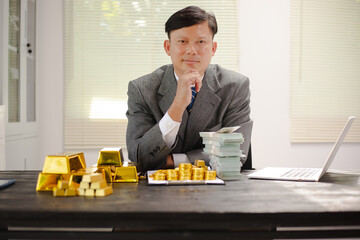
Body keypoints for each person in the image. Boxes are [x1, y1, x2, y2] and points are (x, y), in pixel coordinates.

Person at [126, 6, 253, 172]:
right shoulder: (142, 89)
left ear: (213, 48)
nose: (192, 51)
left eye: (201, 42)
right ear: (167, 47)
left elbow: (236, 153)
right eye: (182, 41)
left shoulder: (235, 86)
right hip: (159, 192)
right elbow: (139, 156)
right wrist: (177, 107)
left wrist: (175, 161)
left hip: (219, 191)